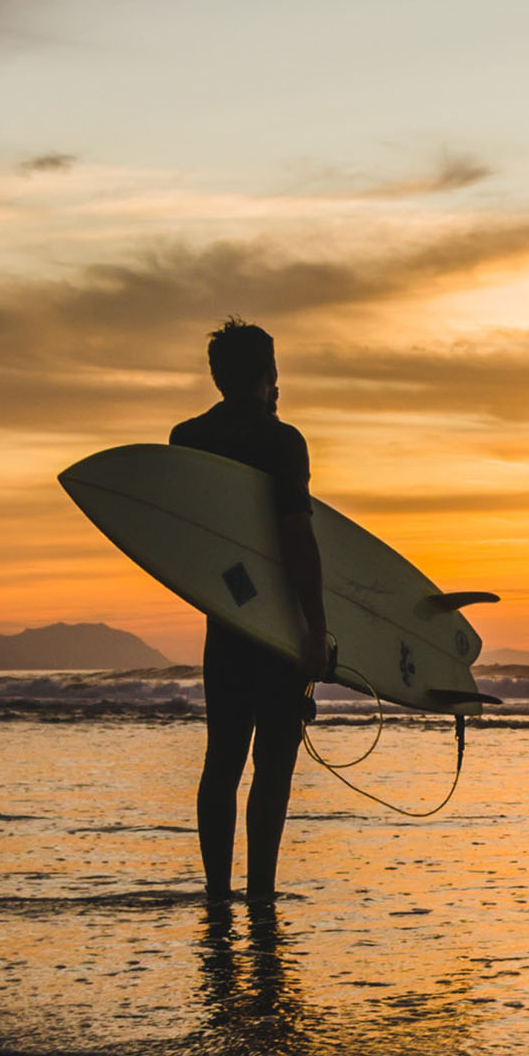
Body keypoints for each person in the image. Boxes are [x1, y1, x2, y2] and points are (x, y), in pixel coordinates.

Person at [170, 319, 329, 904]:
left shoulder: (185, 439)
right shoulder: (282, 442)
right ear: (271, 373)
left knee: (223, 762)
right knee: (274, 765)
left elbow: (184, 542)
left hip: (226, 623)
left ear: (216, 376)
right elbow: (296, 535)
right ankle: (260, 894)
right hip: (279, 625)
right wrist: (315, 626)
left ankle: (217, 893)